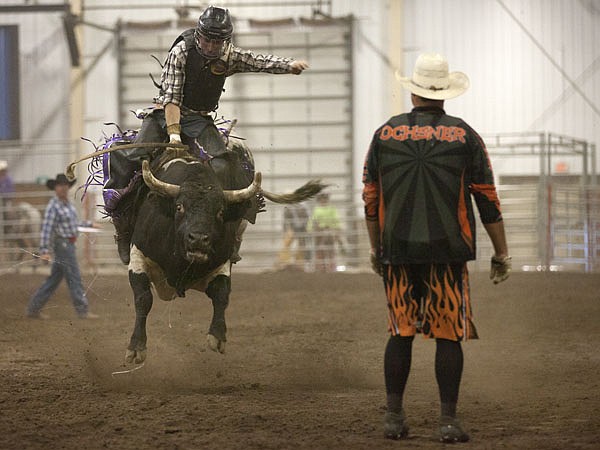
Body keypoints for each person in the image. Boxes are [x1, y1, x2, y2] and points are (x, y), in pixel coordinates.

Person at [362, 53, 511, 443]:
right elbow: (487, 198)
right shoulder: (465, 136)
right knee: (448, 334)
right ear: (445, 94)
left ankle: (394, 416)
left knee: (400, 331)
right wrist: (502, 253)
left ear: (413, 93)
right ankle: (447, 421)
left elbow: (371, 198)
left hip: (397, 250)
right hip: (448, 249)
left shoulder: (383, 134)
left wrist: (377, 249)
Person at [107, 5, 309, 264]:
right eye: (208, 39)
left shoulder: (227, 55)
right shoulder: (181, 51)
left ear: (225, 40)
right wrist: (174, 136)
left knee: (226, 162)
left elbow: (257, 61)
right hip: (166, 114)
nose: (212, 46)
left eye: (218, 41)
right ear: (199, 35)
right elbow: (171, 99)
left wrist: (288, 65)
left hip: (200, 119)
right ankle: (123, 229)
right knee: (132, 157)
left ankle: (231, 233)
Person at [26, 174, 98, 320]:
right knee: (74, 277)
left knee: (54, 279)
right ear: (55, 188)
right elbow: (47, 229)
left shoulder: (68, 204)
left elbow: (74, 224)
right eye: (60, 185)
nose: (63, 187)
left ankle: (33, 308)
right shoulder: (54, 206)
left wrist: (89, 224)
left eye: (65, 185)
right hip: (64, 245)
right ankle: (82, 311)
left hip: (67, 244)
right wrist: (44, 251)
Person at [307, 192, 342, 272]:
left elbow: (336, 220)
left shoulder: (331, 209)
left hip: (329, 231)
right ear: (319, 200)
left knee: (330, 250)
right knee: (320, 250)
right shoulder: (317, 209)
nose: (323, 200)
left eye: (325, 198)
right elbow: (312, 221)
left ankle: (331, 267)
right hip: (320, 232)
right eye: (322, 198)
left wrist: (337, 229)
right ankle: (321, 267)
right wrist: (311, 229)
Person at [278, 203, 309, 269]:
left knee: (302, 245)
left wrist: (306, 229)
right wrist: (285, 231)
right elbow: (285, 222)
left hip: (301, 229)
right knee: (286, 244)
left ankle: (299, 264)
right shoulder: (288, 208)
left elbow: (306, 219)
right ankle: (285, 262)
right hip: (291, 228)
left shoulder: (303, 207)